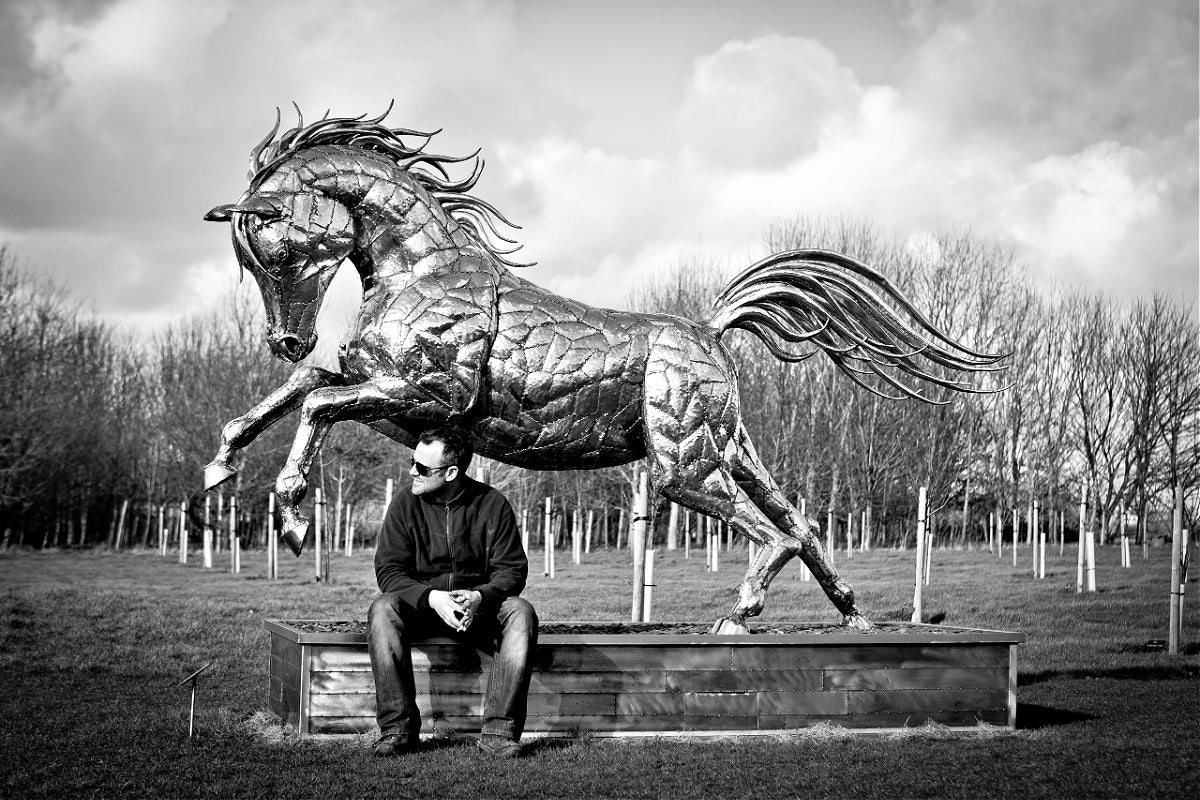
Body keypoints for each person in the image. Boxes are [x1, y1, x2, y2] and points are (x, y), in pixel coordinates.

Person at [368, 424, 538, 759]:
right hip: (422, 608)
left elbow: (512, 569)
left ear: (451, 472)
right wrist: (431, 598)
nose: (411, 471)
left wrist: (480, 597)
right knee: (383, 608)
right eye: (412, 461)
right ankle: (398, 730)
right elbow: (389, 571)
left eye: (422, 468)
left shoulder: (492, 504)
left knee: (521, 611)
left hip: (478, 610)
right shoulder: (404, 504)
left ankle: (499, 734)